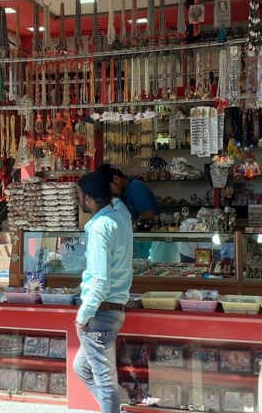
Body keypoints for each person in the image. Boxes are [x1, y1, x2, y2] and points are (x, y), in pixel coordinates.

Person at [73, 172, 133, 413]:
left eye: (79, 196)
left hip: (100, 313)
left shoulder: (99, 227)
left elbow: (99, 281)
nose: (78, 200)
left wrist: (83, 316)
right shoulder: (122, 214)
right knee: (82, 368)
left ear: (88, 199)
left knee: (105, 384)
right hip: (114, 310)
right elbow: (117, 201)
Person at [96, 164, 178, 262]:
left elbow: (148, 218)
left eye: (108, 188)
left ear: (116, 179)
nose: (109, 193)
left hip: (151, 244)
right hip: (141, 243)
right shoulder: (124, 193)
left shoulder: (135, 188)